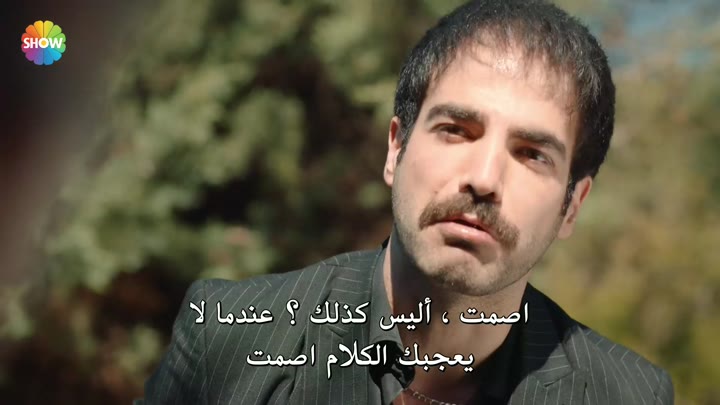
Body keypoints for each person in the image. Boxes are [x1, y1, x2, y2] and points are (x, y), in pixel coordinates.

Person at [138, 0, 674, 404]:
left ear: (573, 205)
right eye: (457, 130)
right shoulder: (230, 339)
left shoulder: (627, 394)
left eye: (532, 154)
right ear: (396, 148)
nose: (484, 179)